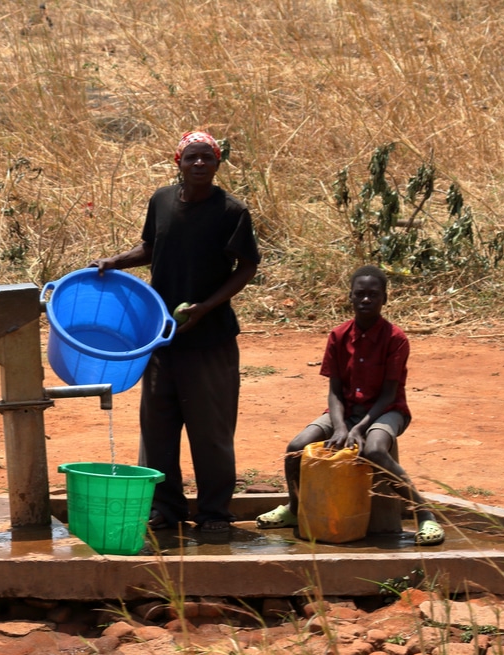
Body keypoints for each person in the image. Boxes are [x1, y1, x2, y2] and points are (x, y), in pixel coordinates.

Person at [91, 129, 260, 532]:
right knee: (158, 428)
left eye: (207, 158)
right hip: (161, 336)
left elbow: (247, 266)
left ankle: (214, 514)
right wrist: (114, 261)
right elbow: (151, 247)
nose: (199, 164)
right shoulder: (162, 201)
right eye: (192, 158)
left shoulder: (230, 212)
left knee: (211, 432)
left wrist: (205, 307)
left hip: (210, 339)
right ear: (178, 163)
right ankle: (165, 510)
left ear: (218, 164)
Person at [255, 265, 445, 546]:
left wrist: (359, 428)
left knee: (374, 449)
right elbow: (333, 391)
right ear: (350, 297)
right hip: (344, 410)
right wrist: (341, 426)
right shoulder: (339, 336)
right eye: (360, 294)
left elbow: (389, 393)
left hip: (387, 410)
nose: (366, 300)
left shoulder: (395, 339)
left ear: (385, 299)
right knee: (296, 447)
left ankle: (425, 514)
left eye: (373, 295)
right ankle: (295, 508)